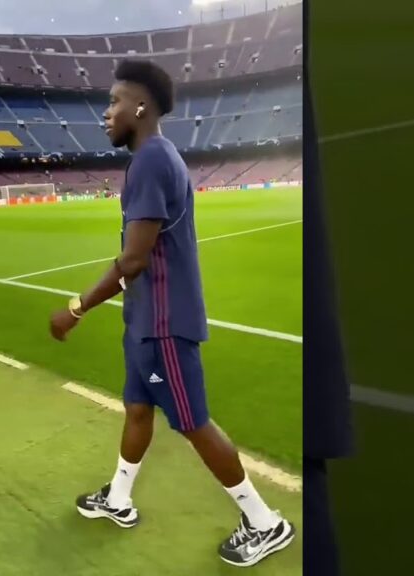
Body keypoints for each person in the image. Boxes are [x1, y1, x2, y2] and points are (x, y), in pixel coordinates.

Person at [48, 60, 295, 568]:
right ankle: (118, 499)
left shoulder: (153, 160)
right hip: (144, 323)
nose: (106, 113)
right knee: (138, 410)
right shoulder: (150, 158)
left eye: (114, 102)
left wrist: (76, 308)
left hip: (163, 325)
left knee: (193, 422)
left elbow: (134, 259)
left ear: (141, 106)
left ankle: (266, 522)